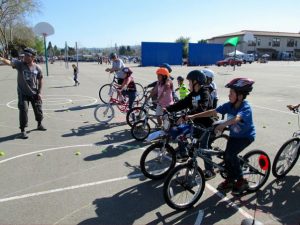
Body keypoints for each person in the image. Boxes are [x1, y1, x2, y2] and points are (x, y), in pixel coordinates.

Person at [186, 77, 256, 195]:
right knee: (227, 156)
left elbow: (237, 118)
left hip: (246, 137)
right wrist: (194, 116)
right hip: (234, 136)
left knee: (230, 154)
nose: (229, 95)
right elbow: (214, 111)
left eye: (231, 93)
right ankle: (230, 180)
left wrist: (223, 125)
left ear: (240, 96)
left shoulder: (245, 107)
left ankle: (241, 180)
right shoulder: (229, 105)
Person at [166, 70, 215, 180]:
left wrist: (187, 115)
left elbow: (202, 107)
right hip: (194, 123)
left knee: (203, 148)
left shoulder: (204, 92)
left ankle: (210, 170)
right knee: (180, 132)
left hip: (205, 125)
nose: (188, 84)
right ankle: (183, 154)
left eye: (189, 82)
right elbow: (182, 103)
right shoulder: (193, 94)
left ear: (196, 82)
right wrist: (168, 109)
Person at [0, 47, 46, 139]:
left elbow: (40, 79)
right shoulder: (20, 64)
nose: (24, 57)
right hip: (23, 93)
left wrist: (40, 92)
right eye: (24, 55)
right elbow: (9, 62)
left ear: (32, 57)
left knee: (38, 110)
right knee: (23, 110)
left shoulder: (37, 68)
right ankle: (23, 130)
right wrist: (1, 59)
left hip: (34, 92)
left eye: (26, 55)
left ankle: (39, 124)